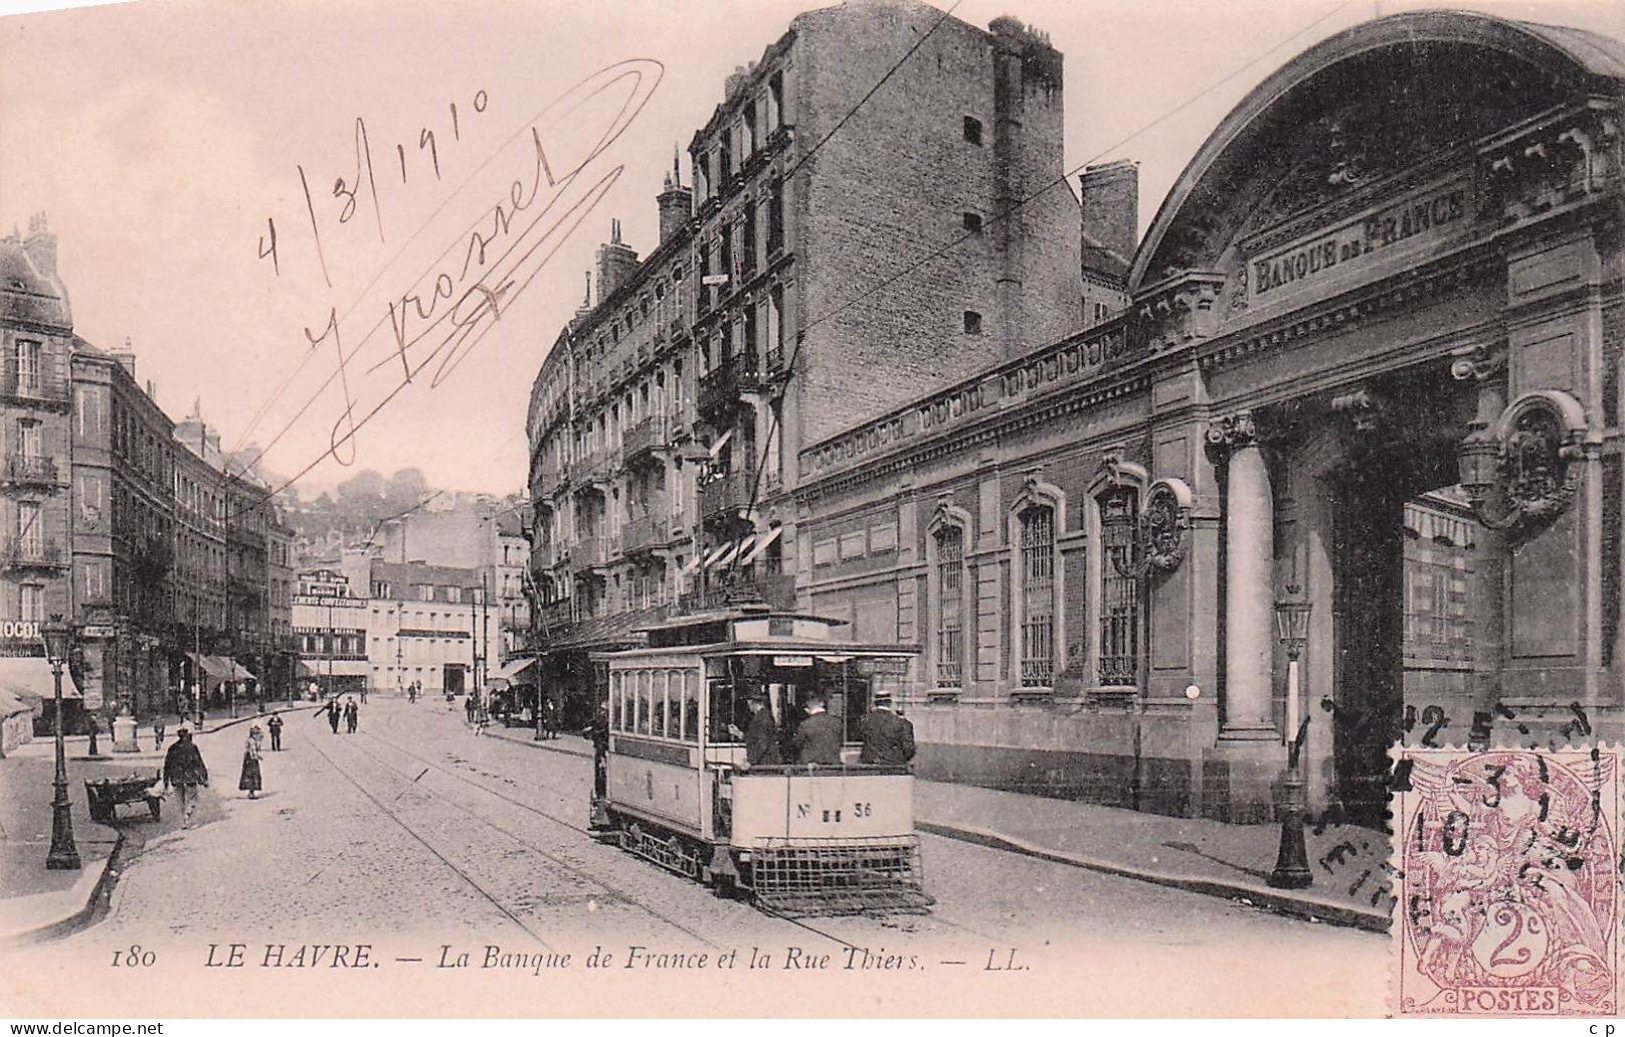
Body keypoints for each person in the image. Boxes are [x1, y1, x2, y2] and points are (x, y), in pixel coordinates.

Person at [162, 726, 209, 827]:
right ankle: (187, 817)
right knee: (192, 799)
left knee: (179, 801)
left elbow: (167, 766)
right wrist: (204, 778)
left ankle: (183, 822)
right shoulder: (192, 747)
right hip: (190, 778)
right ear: (188, 735)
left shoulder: (172, 748)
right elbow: (199, 763)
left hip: (176, 778)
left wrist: (165, 782)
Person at [857, 693, 917, 766]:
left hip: (869, 764)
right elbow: (909, 748)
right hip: (893, 766)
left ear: (875, 703)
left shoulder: (865, 721)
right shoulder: (901, 723)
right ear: (890, 703)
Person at [728, 691, 781, 767]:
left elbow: (762, 743)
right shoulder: (762, 717)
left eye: (748, 703)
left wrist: (751, 761)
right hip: (764, 761)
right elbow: (755, 737)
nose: (748, 706)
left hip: (765, 763)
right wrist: (739, 734)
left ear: (753, 703)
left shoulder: (762, 718)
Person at [790, 694, 844, 765]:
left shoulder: (805, 724)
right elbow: (840, 740)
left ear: (806, 710)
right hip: (833, 763)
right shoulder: (837, 722)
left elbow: (797, 743)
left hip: (811, 765)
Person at [239, 726, 264, 799]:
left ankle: (251, 792)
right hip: (251, 760)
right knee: (253, 775)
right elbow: (253, 752)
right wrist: (258, 757)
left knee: (249, 775)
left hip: (247, 759)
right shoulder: (252, 741)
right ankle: (251, 792)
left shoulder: (250, 740)